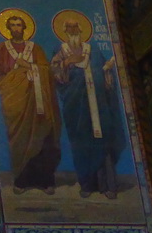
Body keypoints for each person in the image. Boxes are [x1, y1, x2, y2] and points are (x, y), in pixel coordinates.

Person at [0, 13, 62, 194]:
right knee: (19, 140)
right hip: (15, 99)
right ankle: (22, 180)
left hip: (37, 100)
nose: (17, 28)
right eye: (13, 25)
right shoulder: (3, 48)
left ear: (24, 28)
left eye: (20, 25)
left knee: (42, 138)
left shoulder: (35, 48)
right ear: (9, 29)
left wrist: (27, 66)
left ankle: (45, 181)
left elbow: (46, 70)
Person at [50, 14, 126, 199]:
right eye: (69, 28)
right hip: (76, 107)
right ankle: (87, 184)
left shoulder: (93, 50)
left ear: (81, 30)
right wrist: (67, 63)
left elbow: (104, 76)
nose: (73, 30)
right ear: (65, 31)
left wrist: (107, 71)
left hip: (98, 106)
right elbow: (56, 76)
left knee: (104, 143)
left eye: (76, 27)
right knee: (82, 144)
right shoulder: (61, 52)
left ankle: (108, 185)